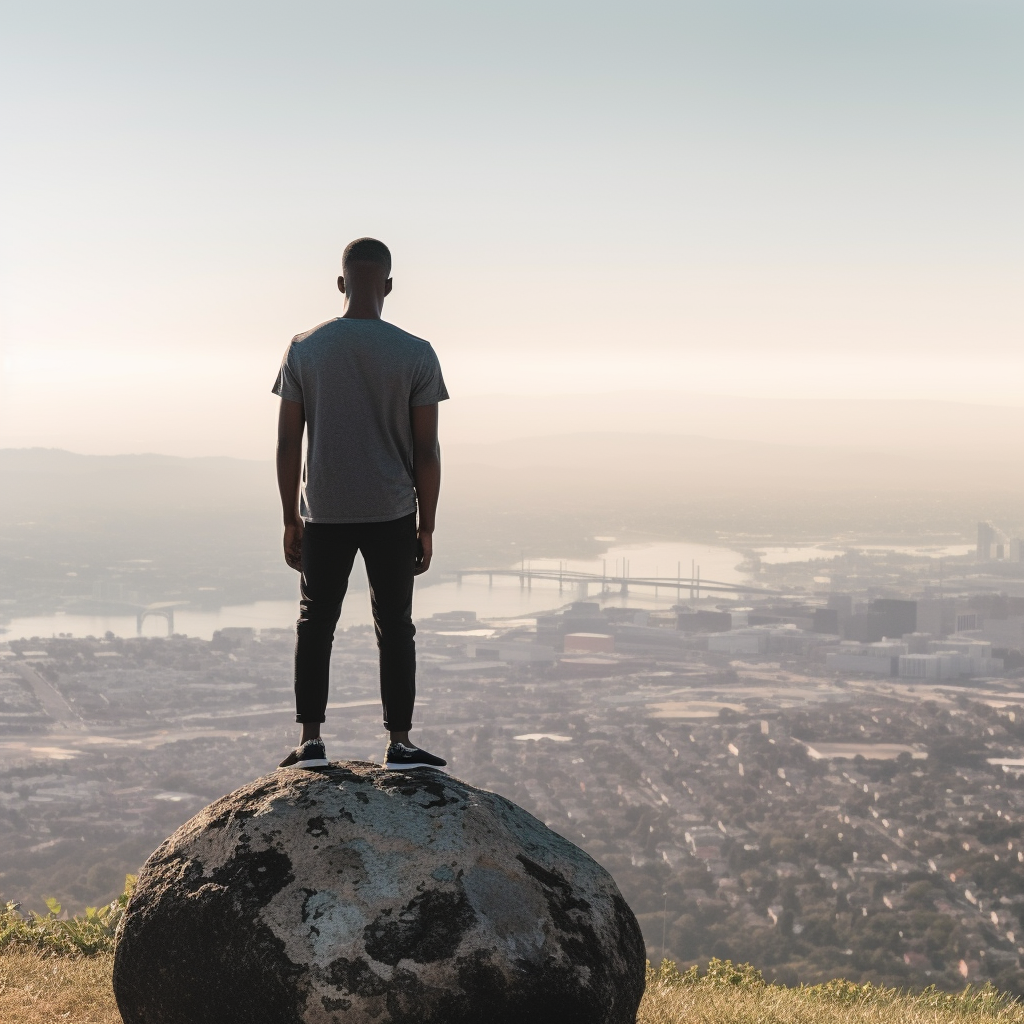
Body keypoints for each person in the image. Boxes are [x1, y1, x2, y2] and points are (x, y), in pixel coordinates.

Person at [272, 237, 449, 771]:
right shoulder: (416, 353)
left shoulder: (305, 347)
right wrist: (428, 526)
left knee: (315, 622)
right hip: (393, 511)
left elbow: (286, 442)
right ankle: (399, 744)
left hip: (323, 510)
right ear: (389, 286)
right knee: (394, 625)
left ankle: (310, 742)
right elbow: (428, 450)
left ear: (341, 282)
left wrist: (288, 517)